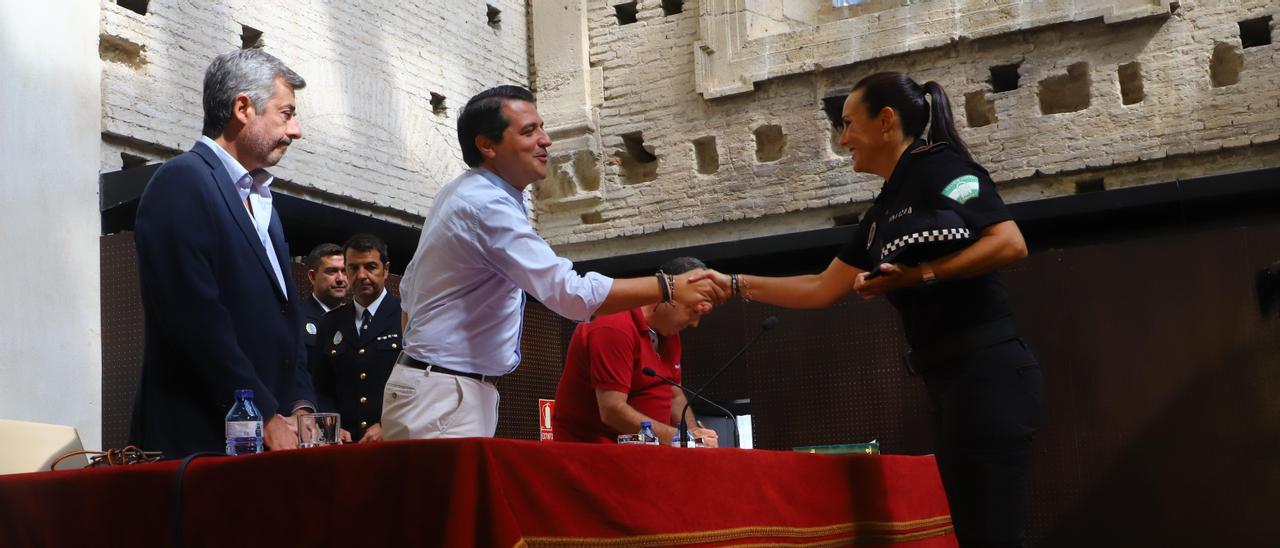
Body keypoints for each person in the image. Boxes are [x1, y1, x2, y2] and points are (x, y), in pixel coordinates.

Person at [711, 73, 1043, 547]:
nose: (842, 139)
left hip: (991, 370)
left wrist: (919, 274)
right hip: (947, 379)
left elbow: (1009, 243)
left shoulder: (941, 168)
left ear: (886, 121)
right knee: (972, 530)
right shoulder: (881, 212)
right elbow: (821, 288)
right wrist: (735, 284)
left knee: (993, 531)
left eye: (848, 124)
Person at [385, 85, 730, 440]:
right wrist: (669, 286)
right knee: (442, 497)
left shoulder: (468, 192)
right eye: (528, 131)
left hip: (445, 384)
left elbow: (409, 291)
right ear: (487, 145)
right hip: (444, 389)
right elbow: (570, 295)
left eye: (542, 127)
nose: (546, 140)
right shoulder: (486, 204)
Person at [129, 49, 315, 458]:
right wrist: (264, 415)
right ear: (243, 108)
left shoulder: (263, 200)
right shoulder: (181, 182)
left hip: (267, 443)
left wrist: (301, 406)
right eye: (286, 114)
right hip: (200, 446)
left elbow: (287, 319)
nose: (296, 130)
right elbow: (195, 321)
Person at [552, 257, 721, 447]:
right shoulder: (613, 325)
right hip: (593, 455)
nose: (695, 323)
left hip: (644, 453)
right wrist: (682, 439)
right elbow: (612, 410)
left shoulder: (668, 332)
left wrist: (692, 433)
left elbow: (675, 394)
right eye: (693, 311)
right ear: (667, 296)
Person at [310, 234, 400, 443]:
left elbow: (418, 385)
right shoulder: (330, 323)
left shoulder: (406, 316)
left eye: (370, 267)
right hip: (346, 444)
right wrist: (331, 424)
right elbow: (321, 386)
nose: (361, 275)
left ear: (386, 270)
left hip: (394, 440)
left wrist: (390, 424)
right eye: (353, 268)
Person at [300, 243, 348, 353]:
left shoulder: (357, 321)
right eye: (332, 271)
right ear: (312, 277)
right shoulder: (296, 319)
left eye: (345, 271)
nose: (340, 278)